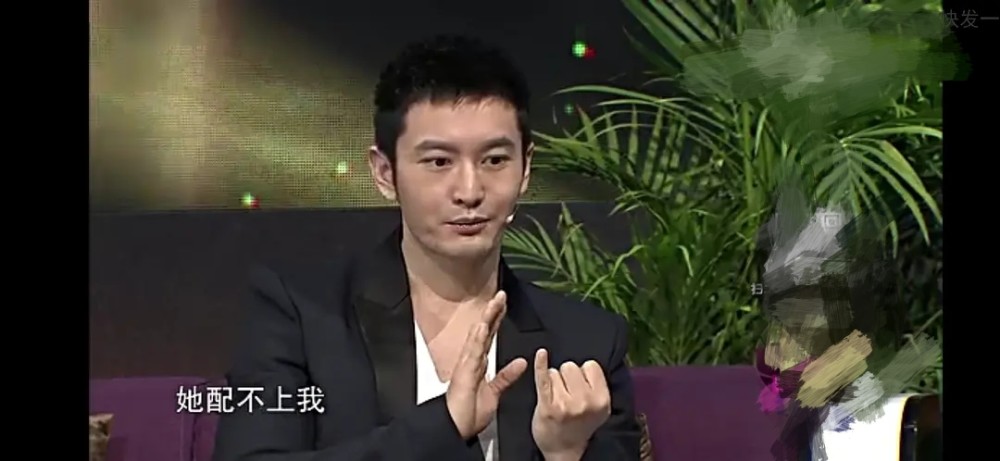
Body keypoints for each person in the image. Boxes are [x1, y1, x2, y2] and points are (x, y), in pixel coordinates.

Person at [212, 34, 641, 461]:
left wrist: (565, 454)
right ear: (385, 173)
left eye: (494, 160)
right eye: (439, 162)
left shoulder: (586, 343)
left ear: (526, 169)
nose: (470, 191)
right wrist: (445, 424)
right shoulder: (301, 316)